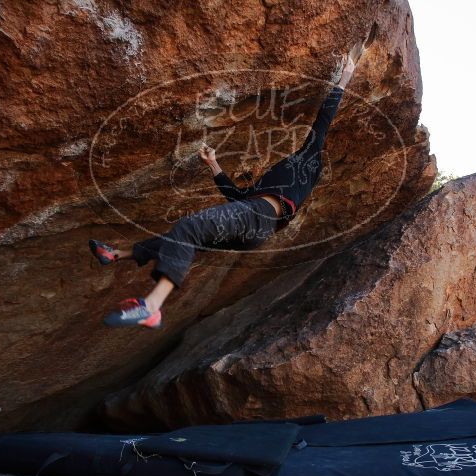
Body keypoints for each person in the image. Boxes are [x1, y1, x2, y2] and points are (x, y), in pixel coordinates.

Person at [89, 46, 364, 328]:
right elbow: (237, 196)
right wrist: (214, 164)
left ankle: (152, 306)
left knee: (189, 228)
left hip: (257, 216)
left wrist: (344, 79)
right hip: (256, 227)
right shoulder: (281, 183)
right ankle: (115, 255)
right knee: (182, 238)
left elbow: (323, 121)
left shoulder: (309, 159)